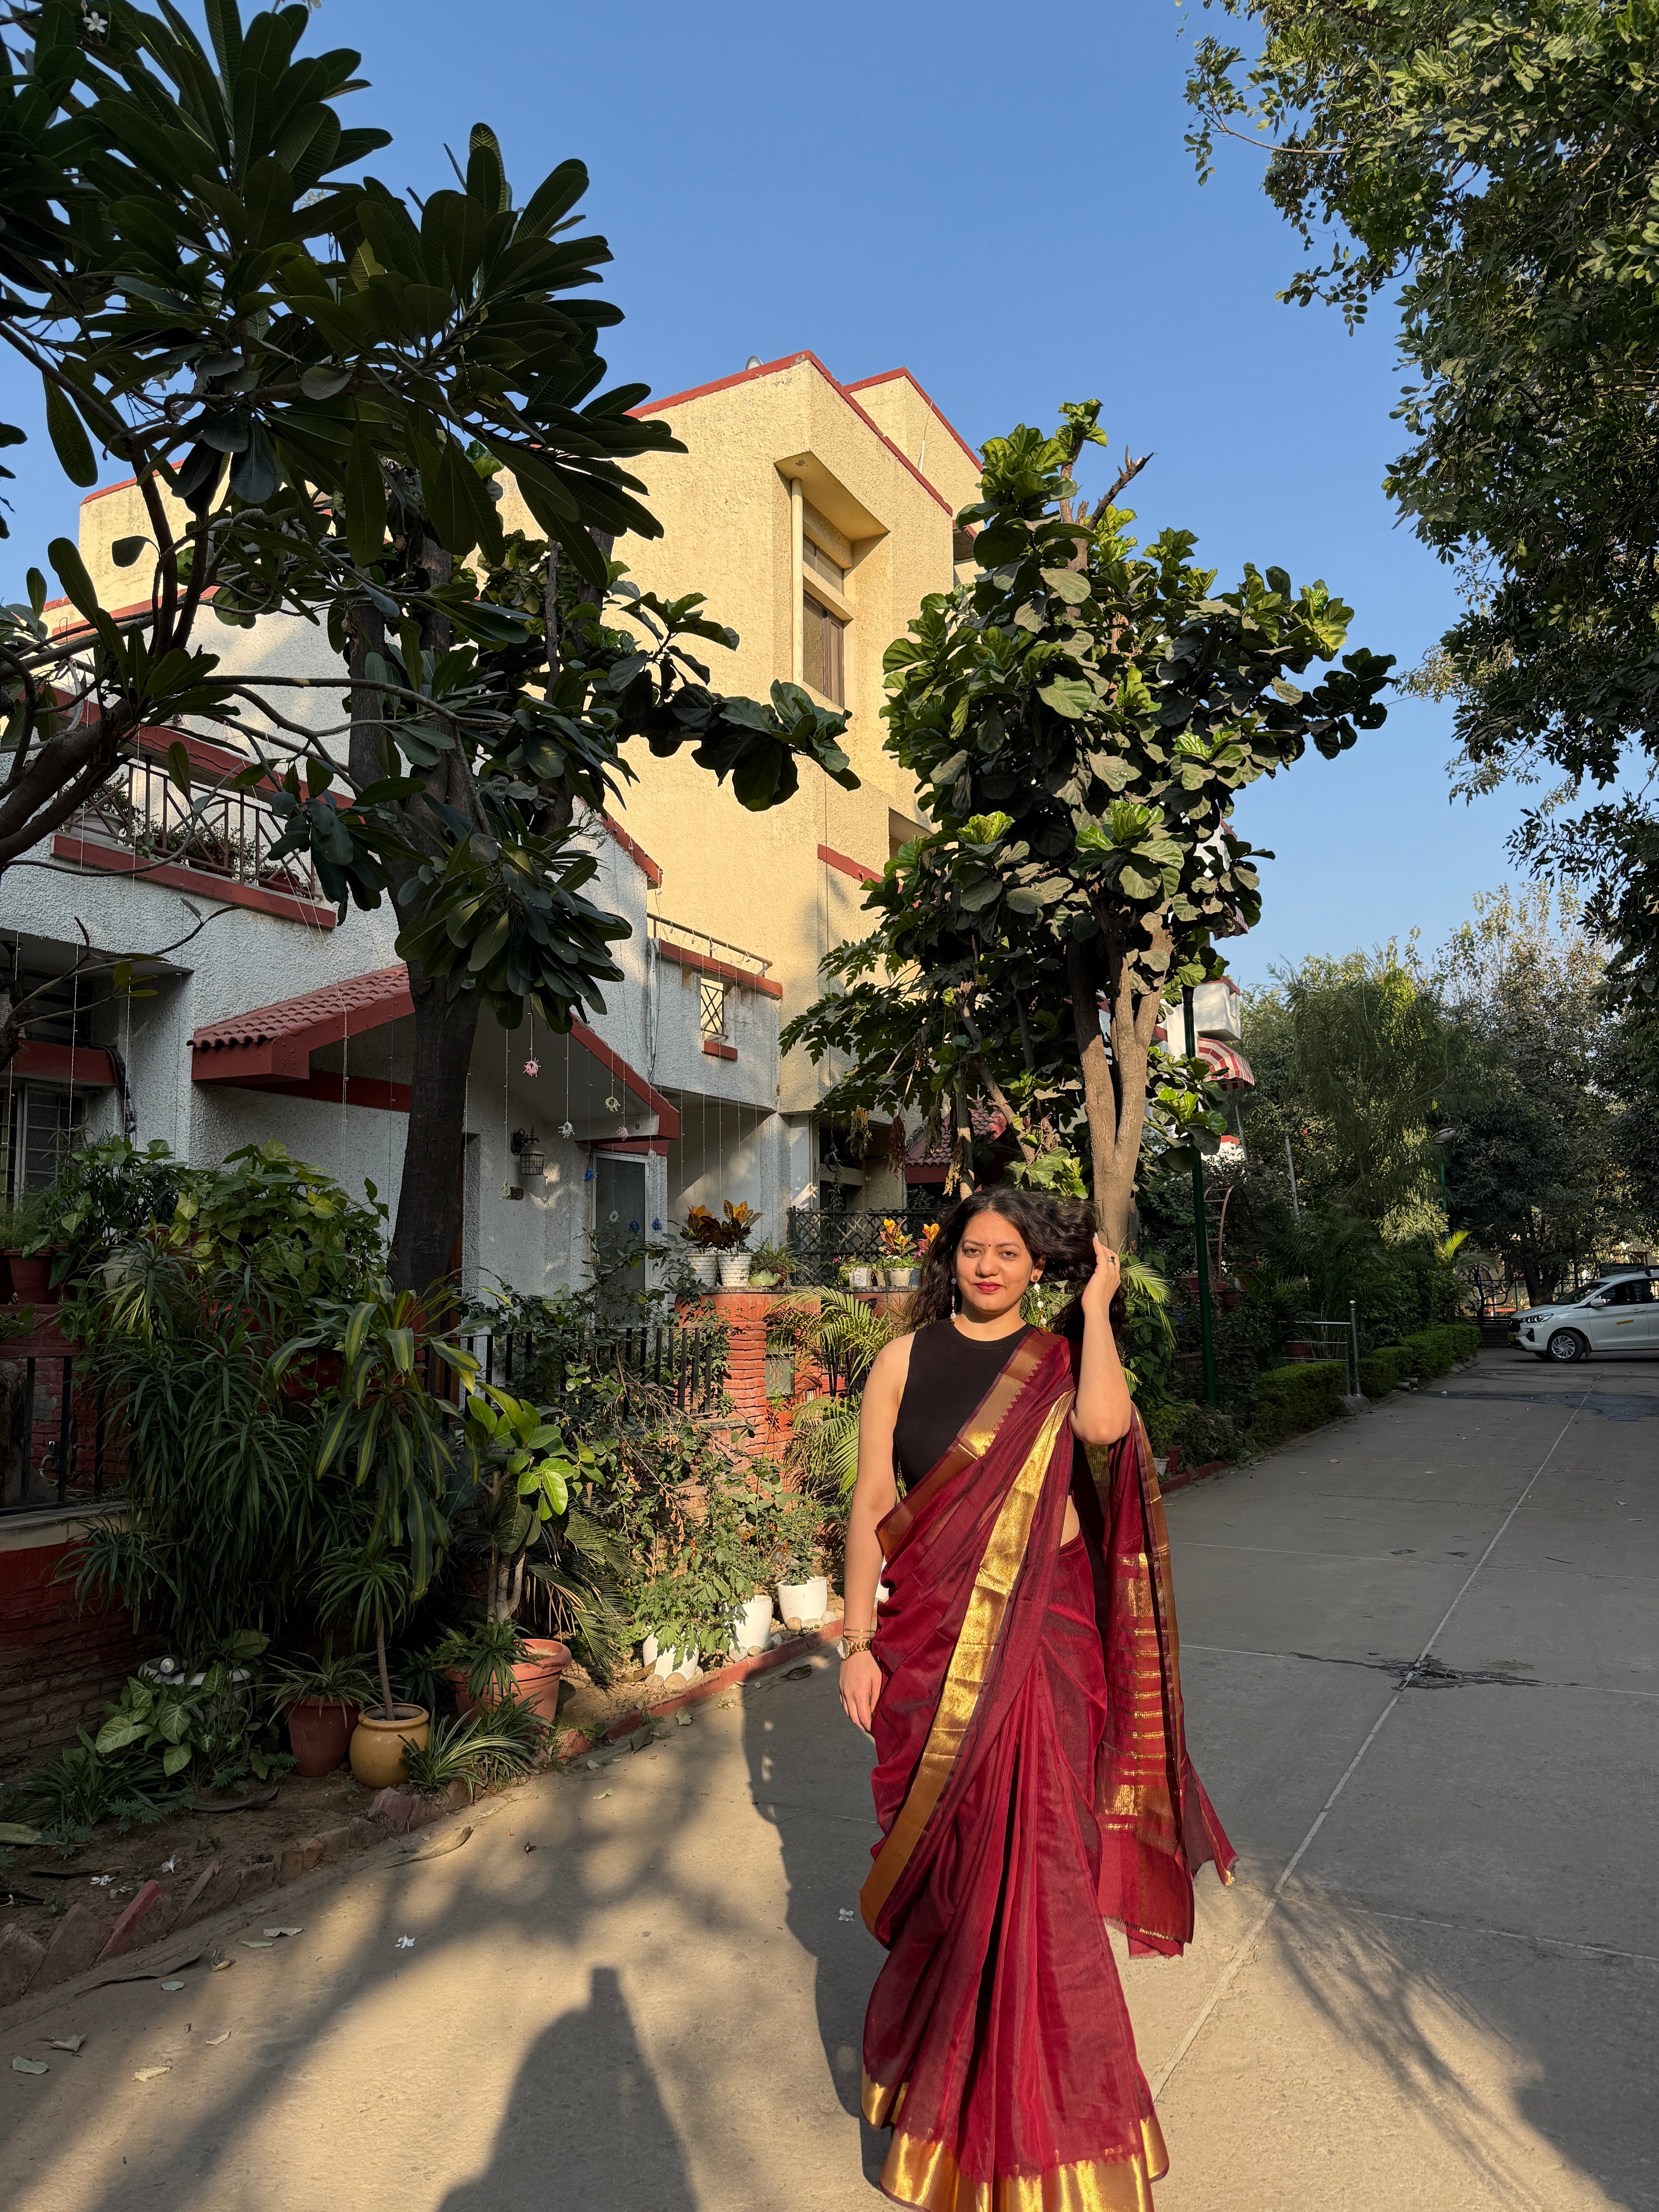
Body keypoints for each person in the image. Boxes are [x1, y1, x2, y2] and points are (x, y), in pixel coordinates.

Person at [839, 1189, 1234, 2210]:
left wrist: (1099, 1304)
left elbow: (1108, 1428)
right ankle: (946, 2091)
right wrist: (856, 1638)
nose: (987, 1266)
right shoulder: (903, 1361)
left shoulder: (1059, 1364)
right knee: (956, 1881)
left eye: (1008, 1253)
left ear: (1035, 1268)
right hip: (928, 1643)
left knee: (1044, 1878)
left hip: (1045, 1646)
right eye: (973, 1250)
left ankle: (1066, 2125)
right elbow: (874, 1503)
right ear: (952, 1259)